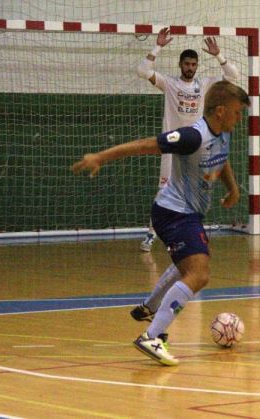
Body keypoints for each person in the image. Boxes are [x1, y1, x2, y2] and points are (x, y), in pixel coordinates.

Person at [72, 81, 250, 366]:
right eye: (237, 113)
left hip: (189, 214)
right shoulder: (192, 136)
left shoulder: (223, 133)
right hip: (173, 212)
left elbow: (222, 159)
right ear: (220, 111)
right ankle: (151, 336)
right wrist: (100, 158)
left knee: (189, 265)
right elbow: (146, 145)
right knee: (199, 272)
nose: (239, 119)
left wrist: (233, 188)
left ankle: (149, 307)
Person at [137, 27, 240, 252]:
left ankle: (192, 233)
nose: (190, 68)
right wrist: (158, 46)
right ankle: (151, 233)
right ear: (181, 65)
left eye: (194, 64)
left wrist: (218, 55)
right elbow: (143, 70)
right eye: (187, 64)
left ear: (197, 66)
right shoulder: (170, 83)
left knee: (198, 190)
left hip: (196, 146)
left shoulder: (204, 85)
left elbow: (233, 76)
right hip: (172, 146)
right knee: (164, 189)